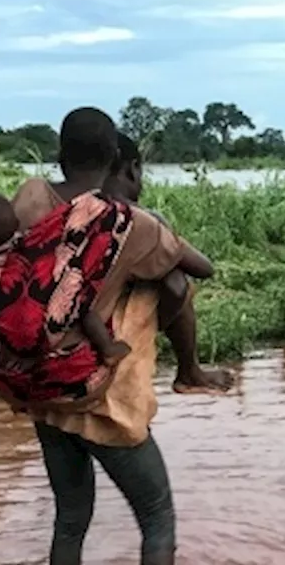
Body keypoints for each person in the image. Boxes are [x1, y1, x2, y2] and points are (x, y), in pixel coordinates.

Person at [4, 107, 191, 565]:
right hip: (107, 395)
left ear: (59, 155)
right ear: (119, 161)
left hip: (45, 390)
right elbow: (178, 281)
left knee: (70, 519)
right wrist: (189, 362)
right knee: (157, 518)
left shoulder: (31, 201)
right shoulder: (130, 223)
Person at [102, 133, 231, 394]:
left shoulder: (58, 212)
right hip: (111, 329)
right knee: (175, 277)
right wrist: (165, 235)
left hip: (57, 328)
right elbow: (203, 269)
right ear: (132, 170)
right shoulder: (137, 220)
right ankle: (189, 369)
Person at [0, 190, 132, 369]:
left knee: (3, 319)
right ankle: (108, 348)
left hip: (16, 345)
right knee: (81, 301)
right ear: (17, 223)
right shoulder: (31, 245)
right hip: (49, 330)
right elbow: (53, 238)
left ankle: (21, 355)